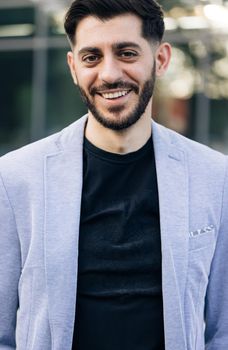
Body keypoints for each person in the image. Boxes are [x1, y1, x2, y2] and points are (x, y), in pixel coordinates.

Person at [0, 0, 228, 349]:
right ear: (74, 67)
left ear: (161, 60)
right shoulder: (15, 178)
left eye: (126, 53)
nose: (109, 74)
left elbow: (222, 331)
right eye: (92, 57)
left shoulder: (215, 178)